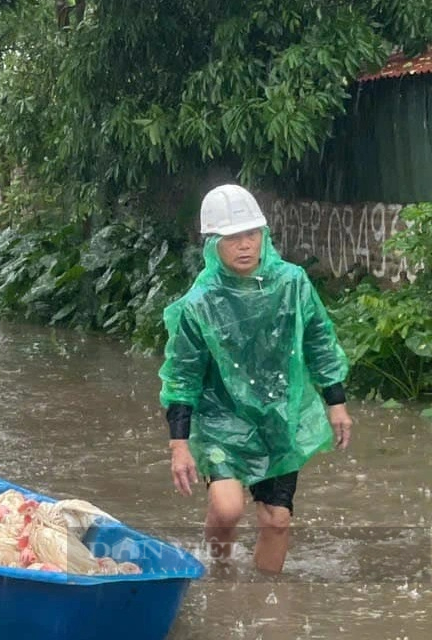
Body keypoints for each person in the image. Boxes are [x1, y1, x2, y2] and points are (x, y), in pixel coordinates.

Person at [158, 184, 353, 575]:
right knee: (228, 509)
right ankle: (219, 573)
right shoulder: (201, 303)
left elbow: (319, 340)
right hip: (220, 419)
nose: (244, 245)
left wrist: (336, 403)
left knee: (277, 520)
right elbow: (183, 374)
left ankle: (265, 607)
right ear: (213, 244)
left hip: (279, 414)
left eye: (252, 234)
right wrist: (179, 444)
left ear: (264, 236)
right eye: (232, 237)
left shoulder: (292, 283)